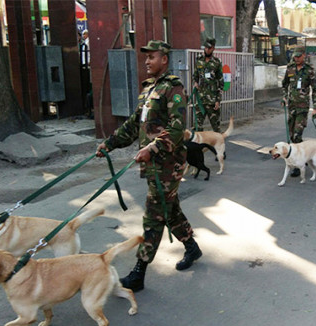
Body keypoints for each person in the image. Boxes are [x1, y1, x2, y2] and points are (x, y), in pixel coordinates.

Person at [95, 40, 202, 292]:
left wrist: (152, 148)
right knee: (170, 209)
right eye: (145, 57)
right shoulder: (147, 90)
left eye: (151, 57)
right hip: (153, 164)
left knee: (154, 215)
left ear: (164, 59)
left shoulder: (173, 88)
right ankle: (192, 248)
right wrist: (109, 144)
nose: (146, 61)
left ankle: (139, 272)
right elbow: (134, 125)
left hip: (168, 163)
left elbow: (177, 128)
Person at [281, 46, 316, 177]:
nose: (296, 58)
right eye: (295, 56)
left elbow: (315, 90)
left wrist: (315, 107)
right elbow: (284, 84)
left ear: (304, 55)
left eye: (298, 56)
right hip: (291, 107)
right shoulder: (290, 68)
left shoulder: (309, 70)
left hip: (302, 108)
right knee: (292, 136)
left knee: (297, 135)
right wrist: (284, 97)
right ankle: (300, 156)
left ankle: (298, 164)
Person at [192, 37, 224, 132]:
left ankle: (219, 145)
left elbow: (220, 82)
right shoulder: (199, 60)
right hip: (200, 99)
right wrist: (195, 82)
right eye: (205, 47)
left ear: (213, 48)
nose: (206, 49)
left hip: (212, 101)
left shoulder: (216, 62)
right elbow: (195, 75)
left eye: (209, 48)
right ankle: (197, 146)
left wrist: (218, 100)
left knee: (216, 128)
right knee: (197, 127)